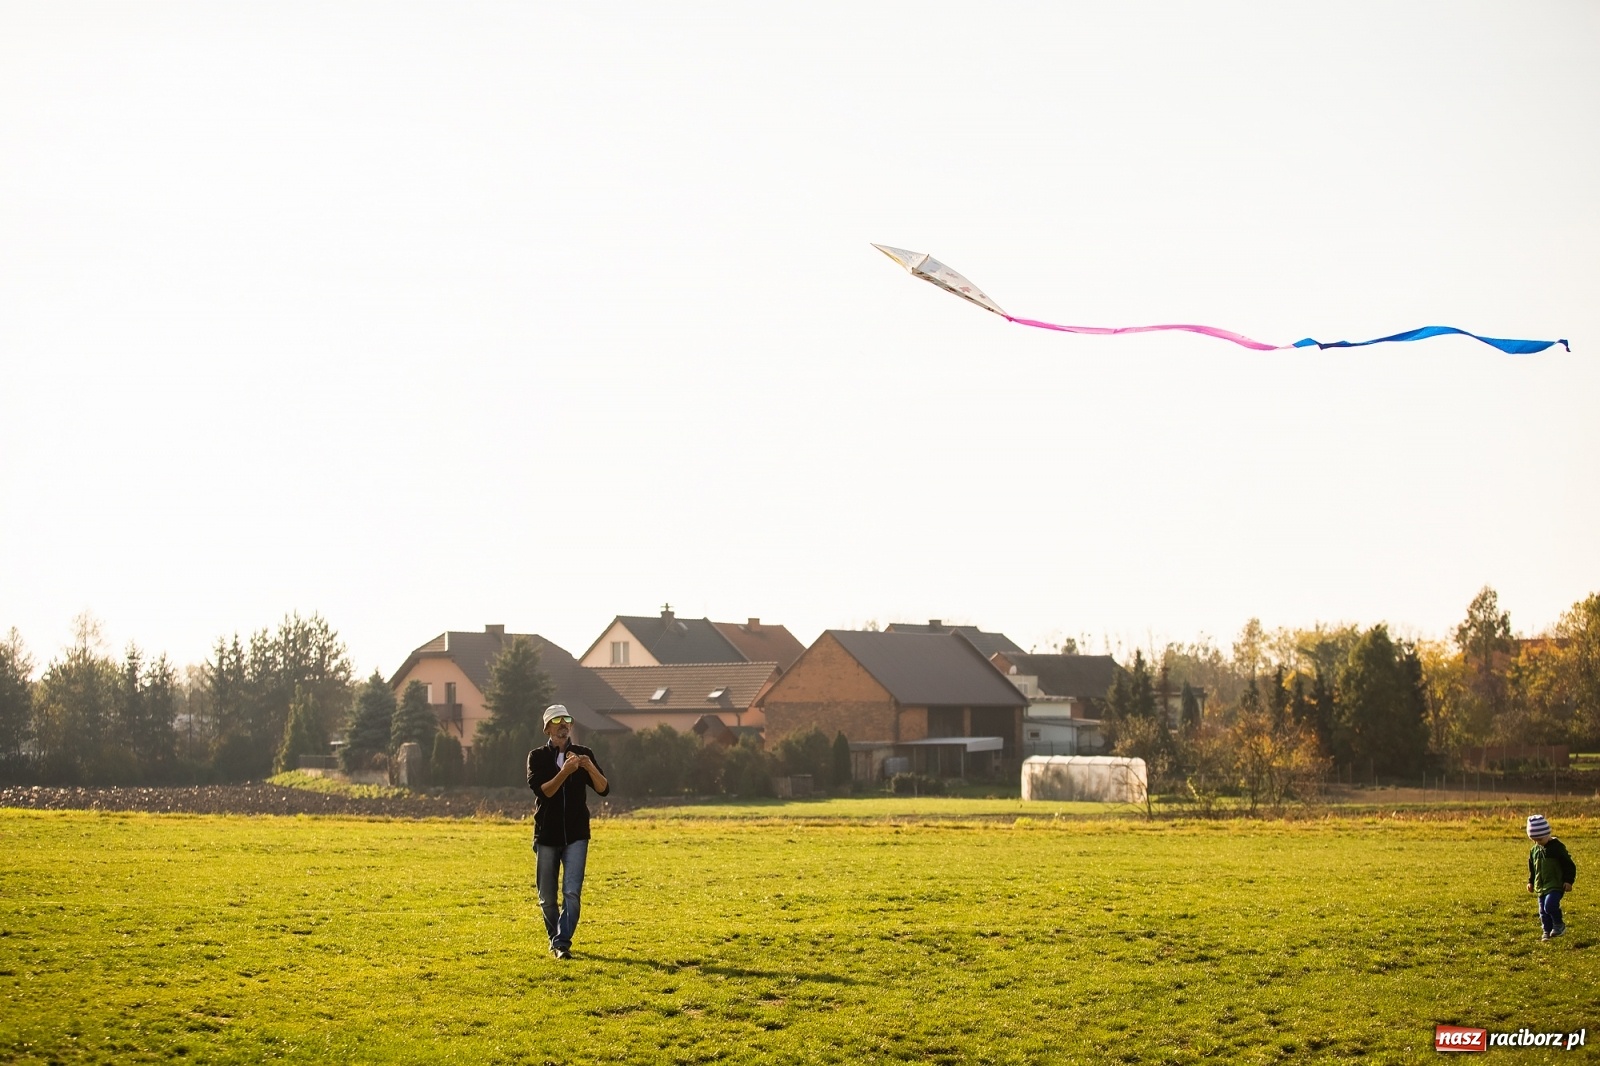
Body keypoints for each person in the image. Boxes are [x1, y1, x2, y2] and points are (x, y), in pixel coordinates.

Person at [527, 704, 609, 959]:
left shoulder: (584, 753)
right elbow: (546, 791)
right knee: (547, 899)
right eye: (557, 720)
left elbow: (604, 788)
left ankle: (562, 943)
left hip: (576, 834)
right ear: (547, 728)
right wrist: (565, 772)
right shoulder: (537, 757)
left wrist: (589, 768)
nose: (563, 724)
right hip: (547, 835)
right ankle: (556, 939)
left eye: (567, 720)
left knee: (572, 893)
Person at [1525, 813, 1577, 941]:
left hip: (1555, 884)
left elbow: (1569, 865)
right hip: (1541, 885)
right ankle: (1546, 931)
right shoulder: (1534, 850)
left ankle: (1559, 925)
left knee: (1550, 906)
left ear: (1548, 834)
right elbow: (1533, 868)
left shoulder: (1557, 848)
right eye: (1535, 840)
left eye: (1540, 839)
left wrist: (1568, 881)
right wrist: (1531, 882)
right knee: (1542, 911)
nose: (1538, 843)